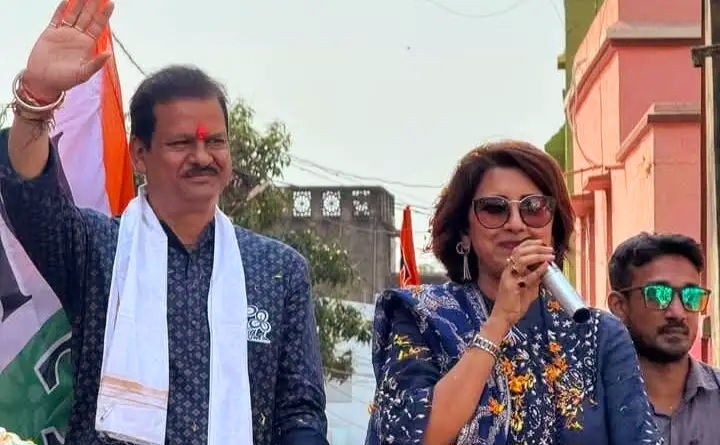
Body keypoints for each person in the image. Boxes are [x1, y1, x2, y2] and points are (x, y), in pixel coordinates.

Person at [0, 1, 328, 444]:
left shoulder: (278, 271)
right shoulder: (97, 250)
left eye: (215, 142)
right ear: (140, 154)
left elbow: (299, 411)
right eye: (180, 143)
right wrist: (36, 100)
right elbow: (29, 194)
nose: (202, 156)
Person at [364, 141, 663, 445]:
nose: (516, 224)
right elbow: (413, 436)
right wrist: (498, 323)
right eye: (495, 209)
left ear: (553, 229)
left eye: (534, 208)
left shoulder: (598, 335)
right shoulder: (421, 317)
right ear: (464, 232)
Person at [607, 232, 720, 445]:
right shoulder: (588, 408)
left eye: (691, 296)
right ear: (619, 306)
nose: (678, 313)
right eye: (658, 294)